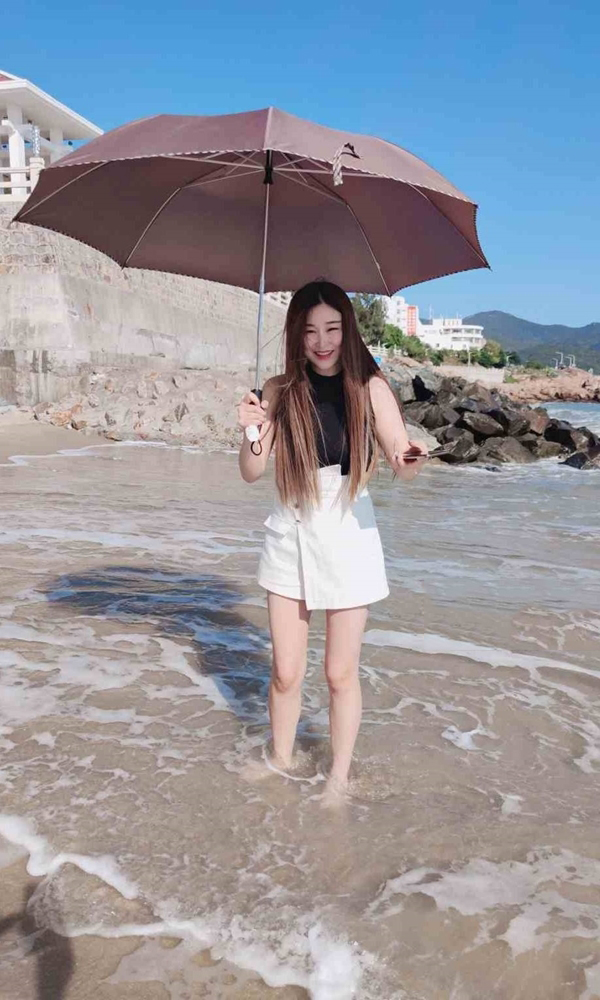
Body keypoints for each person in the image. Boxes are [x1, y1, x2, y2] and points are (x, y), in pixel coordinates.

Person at [237, 281, 428, 804]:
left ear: (349, 330)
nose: (322, 342)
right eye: (310, 331)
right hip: (291, 526)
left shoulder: (370, 387)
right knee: (285, 671)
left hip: (348, 530)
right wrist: (251, 431)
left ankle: (338, 779)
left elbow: (400, 457)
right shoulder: (278, 390)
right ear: (296, 335)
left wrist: (411, 456)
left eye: (332, 329)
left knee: (340, 673)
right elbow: (252, 472)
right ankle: (281, 760)